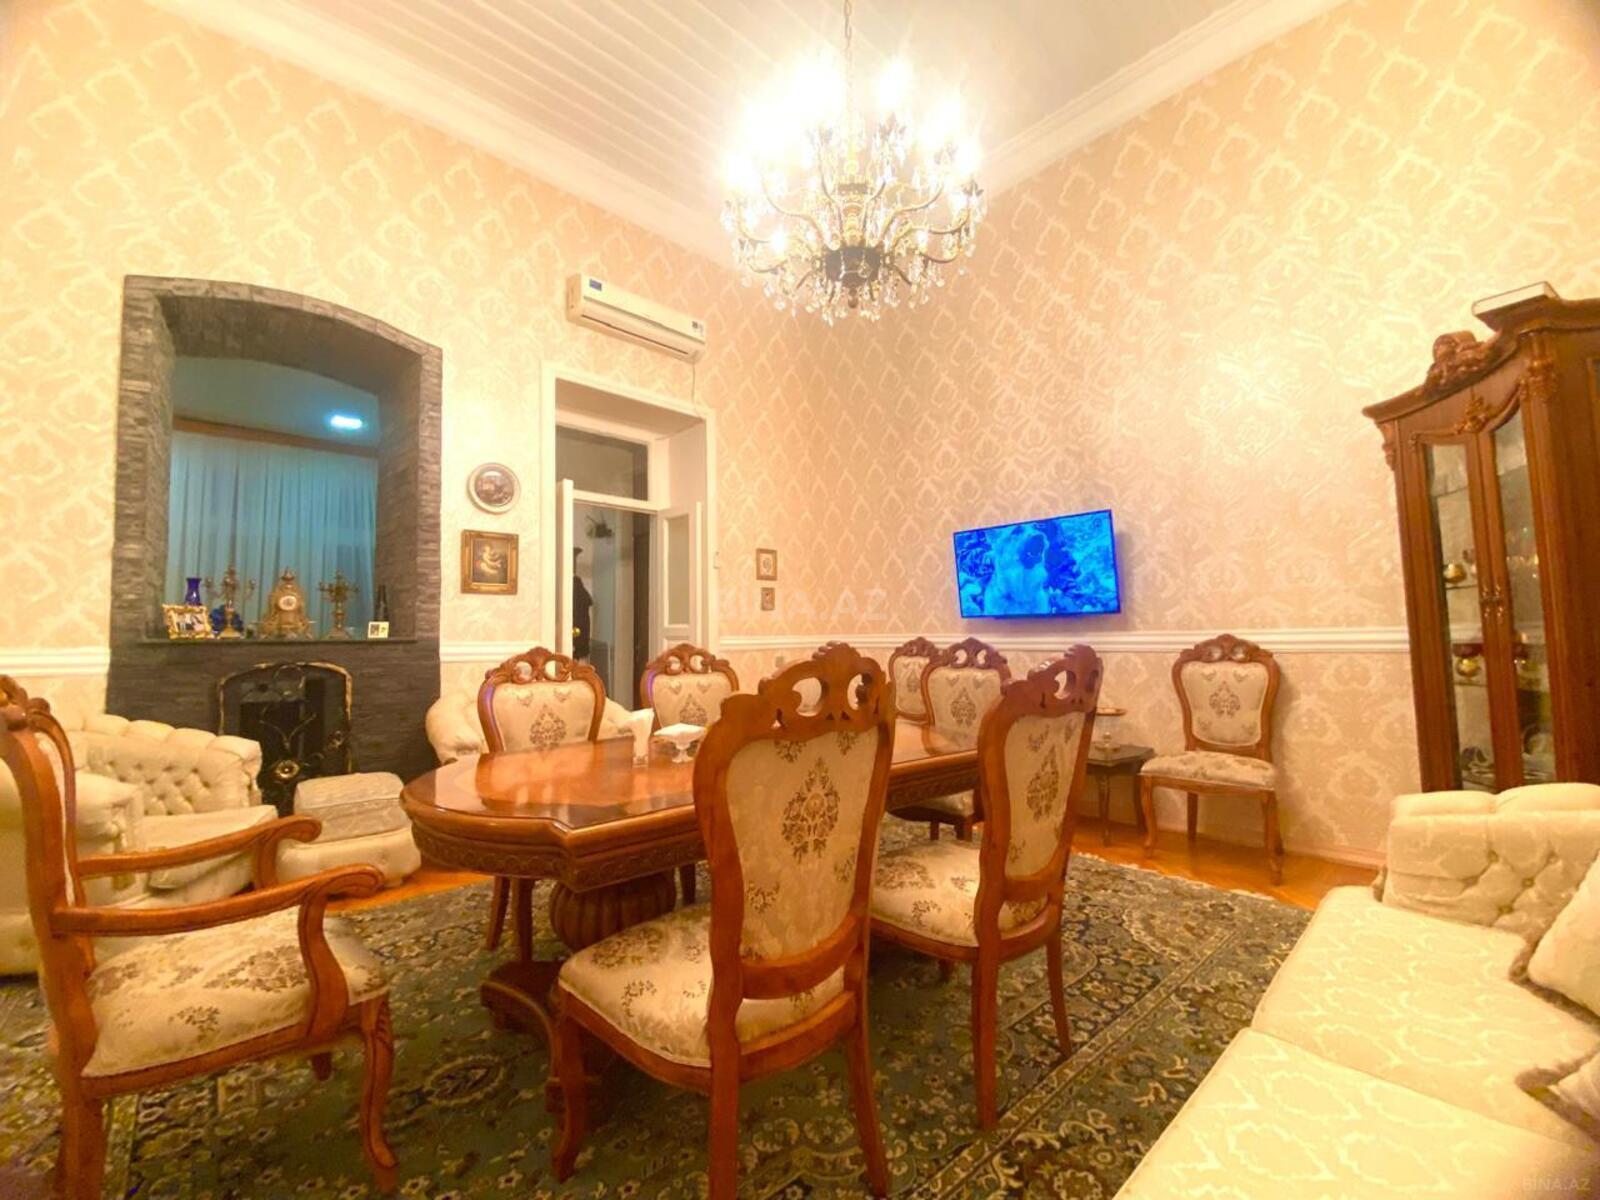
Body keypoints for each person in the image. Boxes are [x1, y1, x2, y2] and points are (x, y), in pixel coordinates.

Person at [572, 548, 593, 661]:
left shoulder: (576, 584)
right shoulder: (575, 583)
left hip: (577, 633)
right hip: (577, 633)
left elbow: (588, 601)